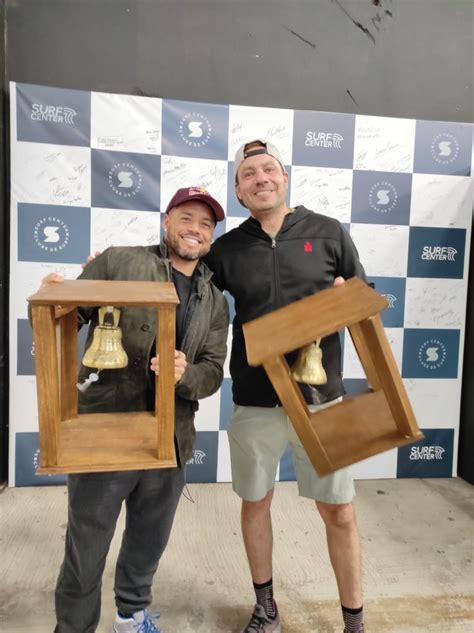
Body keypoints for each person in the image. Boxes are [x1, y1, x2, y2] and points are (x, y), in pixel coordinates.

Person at [41, 187, 229, 633]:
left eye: (205, 224)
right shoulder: (119, 260)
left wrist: (184, 376)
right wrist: (57, 292)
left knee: (149, 540)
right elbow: (71, 314)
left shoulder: (215, 299)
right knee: (86, 545)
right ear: (166, 221)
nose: (195, 229)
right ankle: (73, 628)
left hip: (171, 439)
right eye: (186, 218)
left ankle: (131, 615)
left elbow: (214, 370)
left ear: (211, 237)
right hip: (105, 432)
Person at [205, 140, 367, 633]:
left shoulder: (328, 232)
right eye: (248, 174)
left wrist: (349, 298)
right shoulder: (227, 248)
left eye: (268, 169)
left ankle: (354, 621)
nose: (260, 179)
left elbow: (365, 298)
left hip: (322, 400)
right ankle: (265, 608)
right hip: (256, 400)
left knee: (339, 511)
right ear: (238, 190)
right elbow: (185, 285)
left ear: (285, 176)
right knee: (256, 503)